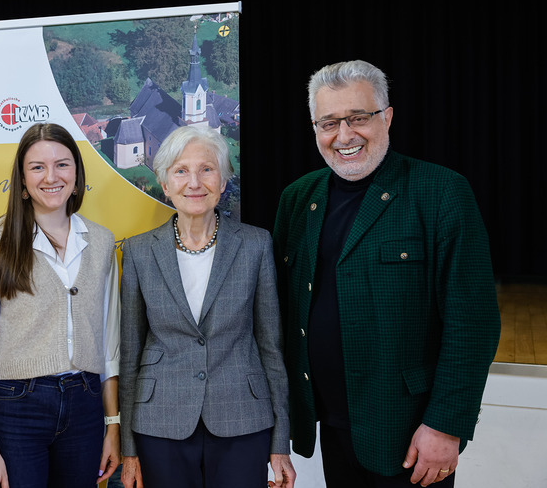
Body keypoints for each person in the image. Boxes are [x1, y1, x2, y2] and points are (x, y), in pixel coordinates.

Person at [273, 60, 500, 488]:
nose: (344, 136)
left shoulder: (441, 193)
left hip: (409, 431)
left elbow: (474, 323)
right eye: (328, 123)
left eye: (358, 118)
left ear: (387, 116)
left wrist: (445, 425)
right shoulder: (298, 199)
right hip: (331, 425)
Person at [119, 125, 296, 488]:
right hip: (159, 421)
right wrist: (128, 447)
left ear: (224, 180)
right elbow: (130, 351)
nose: (194, 182)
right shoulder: (137, 251)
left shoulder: (256, 244)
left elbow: (271, 347)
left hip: (243, 419)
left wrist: (281, 443)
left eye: (207, 169)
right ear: (166, 185)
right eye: (181, 170)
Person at [0, 122, 120, 488]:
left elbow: (110, 347)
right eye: (37, 167)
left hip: (86, 404)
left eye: (62, 164)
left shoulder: (102, 242)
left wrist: (112, 426)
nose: (51, 177)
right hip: (17, 407)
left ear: (77, 175)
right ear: (23, 179)